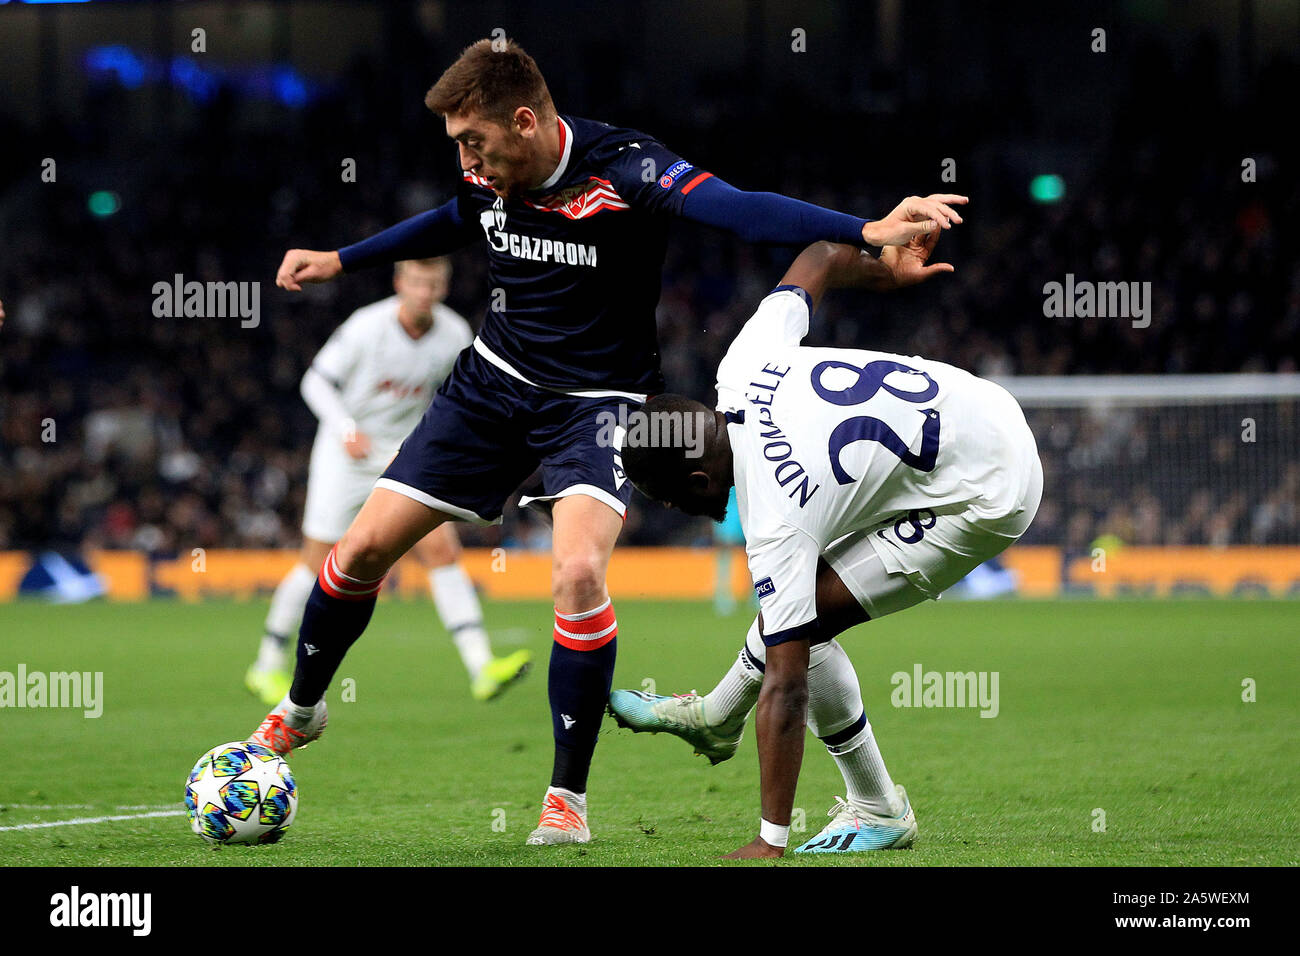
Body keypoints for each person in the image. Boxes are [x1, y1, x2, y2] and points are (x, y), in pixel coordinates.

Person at [250, 36, 966, 846]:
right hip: (489, 386)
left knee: (579, 574)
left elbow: (737, 207)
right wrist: (342, 259)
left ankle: (567, 802)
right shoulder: (486, 177)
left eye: (472, 141)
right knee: (357, 552)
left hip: (597, 406)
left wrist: (866, 229)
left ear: (524, 121)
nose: (465, 159)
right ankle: (301, 713)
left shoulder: (627, 170)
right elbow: (453, 220)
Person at [609, 230, 1042, 857]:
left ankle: (865, 801)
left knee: (799, 629)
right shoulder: (741, 362)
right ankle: (715, 718)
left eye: (672, 499)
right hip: (981, 406)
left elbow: (786, 690)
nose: (679, 511)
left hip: (987, 492)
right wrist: (885, 272)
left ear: (699, 481)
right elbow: (819, 256)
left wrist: (769, 840)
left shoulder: (776, 520)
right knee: (796, 618)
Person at [246, 257, 531, 707]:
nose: (425, 291)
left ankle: (482, 667)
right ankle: (265, 663)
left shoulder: (454, 333)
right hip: (345, 457)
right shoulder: (366, 326)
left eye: (435, 282)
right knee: (316, 562)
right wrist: (345, 429)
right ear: (400, 282)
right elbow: (315, 382)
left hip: (403, 455)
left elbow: (455, 400)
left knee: (441, 548)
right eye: (418, 281)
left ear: (444, 285)